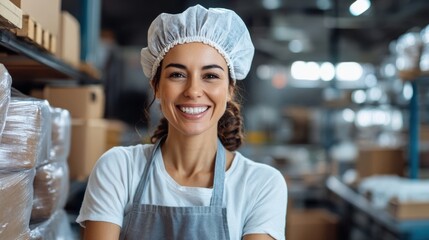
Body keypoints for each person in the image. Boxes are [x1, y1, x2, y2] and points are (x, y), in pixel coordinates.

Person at [77, 4, 287, 240]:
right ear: (156, 86)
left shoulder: (260, 185)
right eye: (177, 74)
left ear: (229, 89)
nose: (193, 90)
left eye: (210, 76)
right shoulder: (119, 169)